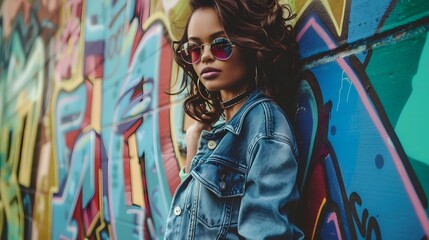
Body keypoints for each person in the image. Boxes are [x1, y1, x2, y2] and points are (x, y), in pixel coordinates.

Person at [165, 0, 304, 239]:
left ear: (249, 43)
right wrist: (194, 138)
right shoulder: (219, 128)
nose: (206, 57)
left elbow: (266, 233)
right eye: (195, 49)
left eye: (220, 45)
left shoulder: (264, 125)